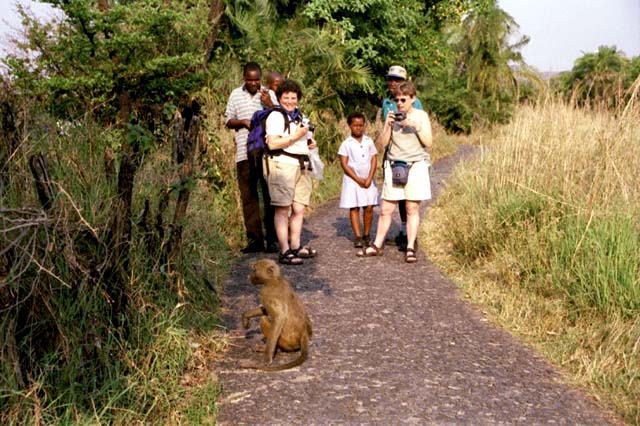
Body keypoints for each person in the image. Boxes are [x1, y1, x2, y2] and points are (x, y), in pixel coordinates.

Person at [359, 81, 433, 263]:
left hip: (416, 164)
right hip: (394, 164)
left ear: (412, 99)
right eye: (397, 100)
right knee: (386, 208)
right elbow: (381, 144)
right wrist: (388, 126)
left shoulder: (421, 116)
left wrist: (414, 126)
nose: (400, 103)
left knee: (411, 207)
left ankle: (410, 246)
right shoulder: (392, 116)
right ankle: (377, 244)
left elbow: (429, 143)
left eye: (403, 100)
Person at [225, 62, 279, 253]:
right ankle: (255, 239)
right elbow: (227, 120)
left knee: (269, 196)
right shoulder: (235, 94)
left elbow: (282, 118)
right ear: (244, 78)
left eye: (256, 79)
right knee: (249, 197)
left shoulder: (268, 94)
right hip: (243, 153)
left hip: (266, 152)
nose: (254, 83)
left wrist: (270, 104)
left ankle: (272, 239)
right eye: (250, 79)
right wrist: (243, 122)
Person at [264, 79, 318, 265]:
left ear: (298, 99)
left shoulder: (300, 116)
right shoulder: (276, 117)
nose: (289, 101)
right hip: (282, 164)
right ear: (279, 98)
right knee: (282, 208)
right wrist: (296, 136)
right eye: (285, 97)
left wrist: (309, 143)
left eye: (293, 97)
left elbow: (303, 140)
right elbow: (272, 143)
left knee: (299, 208)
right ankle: (284, 250)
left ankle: (295, 246)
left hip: (301, 165)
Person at [381, 65, 424, 251]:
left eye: (397, 80)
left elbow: (419, 125)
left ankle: (409, 234)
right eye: (390, 79)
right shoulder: (386, 103)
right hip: (392, 152)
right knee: (395, 196)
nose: (393, 83)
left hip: (410, 154)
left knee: (410, 198)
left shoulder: (416, 103)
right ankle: (403, 231)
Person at [338, 112, 379, 248]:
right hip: (352, 179)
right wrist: (357, 179)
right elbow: (344, 163)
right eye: (355, 125)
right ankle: (357, 236)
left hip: (368, 178)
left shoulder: (369, 141)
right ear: (350, 126)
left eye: (361, 125)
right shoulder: (346, 144)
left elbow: (373, 158)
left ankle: (367, 234)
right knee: (354, 206)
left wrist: (369, 178)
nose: (358, 128)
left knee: (368, 206)